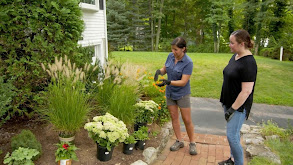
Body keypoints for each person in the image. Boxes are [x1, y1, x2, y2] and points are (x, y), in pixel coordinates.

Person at [218, 29, 257, 165]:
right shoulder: (235, 56)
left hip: (238, 107)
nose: (229, 45)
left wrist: (232, 109)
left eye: (232, 43)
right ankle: (232, 160)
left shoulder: (249, 64)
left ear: (241, 44)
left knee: (232, 137)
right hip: (228, 103)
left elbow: (246, 92)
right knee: (232, 135)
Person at [154, 37, 197, 155]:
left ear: (183, 49)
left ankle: (192, 143)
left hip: (182, 94)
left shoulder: (188, 62)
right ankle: (179, 141)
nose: (173, 52)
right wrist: (159, 72)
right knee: (174, 117)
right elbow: (165, 68)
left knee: (187, 119)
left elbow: (183, 82)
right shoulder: (170, 56)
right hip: (170, 93)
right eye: (172, 49)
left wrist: (168, 82)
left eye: (176, 50)